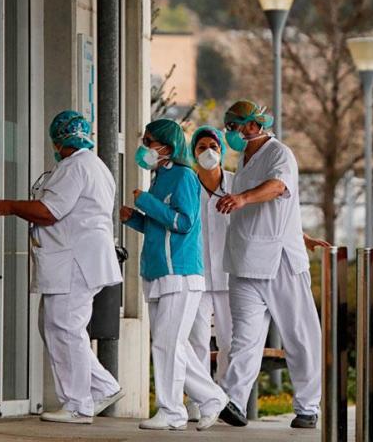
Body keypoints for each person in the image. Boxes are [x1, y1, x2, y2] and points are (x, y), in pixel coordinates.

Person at [0, 110, 123, 424]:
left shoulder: (75, 167)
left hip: (75, 260)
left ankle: (77, 404)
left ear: (60, 140)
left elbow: (49, 211)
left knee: (65, 328)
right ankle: (102, 387)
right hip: (80, 259)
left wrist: (11, 206)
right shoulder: (96, 165)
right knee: (55, 327)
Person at [215, 101, 328, 429]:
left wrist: (242, 198)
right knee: (245, 338)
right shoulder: (244, 158)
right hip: (244, 261)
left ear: (253, 126)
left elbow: (278, 189)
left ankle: (308, 406)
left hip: (280, 261)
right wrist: (303, 234)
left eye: (234, 127)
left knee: (299, 335)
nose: (230, 133)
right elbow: (278, 213)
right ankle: (233, 401)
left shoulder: (280, 154)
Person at [121, 119, 228, 431]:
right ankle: (211, 398)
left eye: (149, 141)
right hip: (157, 272)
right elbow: (160, 226)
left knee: (167, 345)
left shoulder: (183, 176)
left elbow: (183, 223)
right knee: (172, 345)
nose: (145, 147)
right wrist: (135, 218)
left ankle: (172, 411)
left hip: (179, 273)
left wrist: (146, 202)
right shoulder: (161, 177)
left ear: (166, 146)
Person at [185, 126, 235, 422]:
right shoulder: (188, 185)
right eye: (201, 146)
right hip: (197, 275)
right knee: (197, 342)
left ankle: (227, 400)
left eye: (213, 145)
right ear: (193, 152)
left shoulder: (236, 184)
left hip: (230, 276)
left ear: (221, 150)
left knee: (231, 343)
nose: (208, 151)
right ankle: (198, 401)